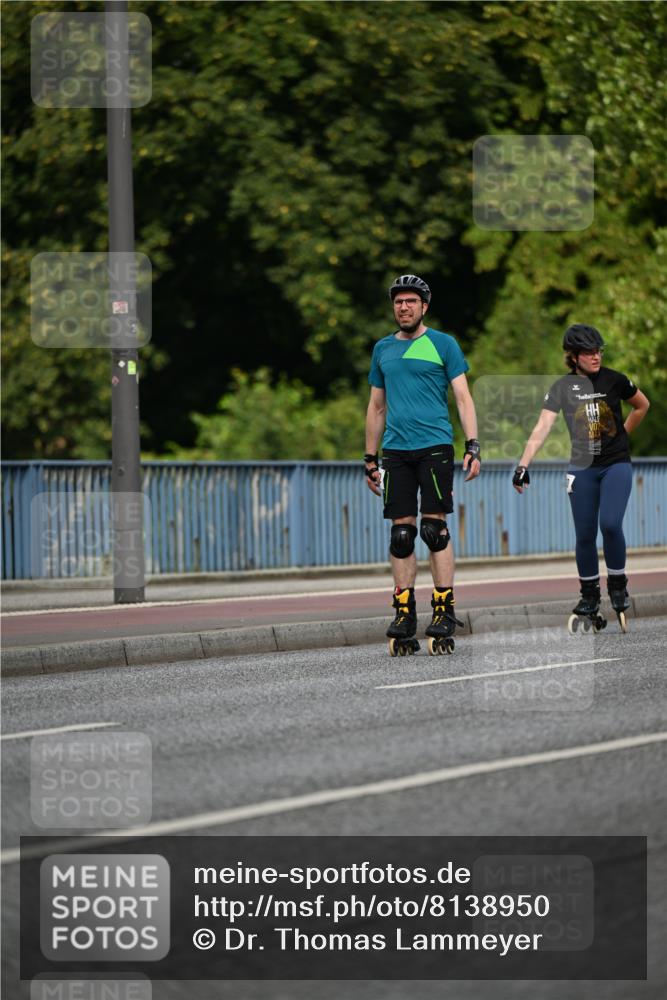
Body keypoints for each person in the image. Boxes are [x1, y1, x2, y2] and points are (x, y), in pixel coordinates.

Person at [365, 274, 481, 651]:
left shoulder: (443, 344)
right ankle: (404, 613)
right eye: (399, 301)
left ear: (424, 306)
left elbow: (463, 398)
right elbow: (376, 407)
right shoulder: (383, 349)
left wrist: (473, 445)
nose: (404, 307)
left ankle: (443, 610)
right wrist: (370, 458)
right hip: (396, 451)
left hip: (435, 446)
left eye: (411, 301)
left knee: (434, 530)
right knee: (401, 535)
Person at [512, 323, 650, 625]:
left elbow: (642, 406)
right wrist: (523, 465)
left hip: (615, 464)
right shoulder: (562, 387)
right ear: (573, 356)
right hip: (582, 468)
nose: (596, 356)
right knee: (585, 534)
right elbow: (543, 426)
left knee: (610, 524)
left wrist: (623, 435)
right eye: (588, 352)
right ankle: (589, 596)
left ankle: (618, 586)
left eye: (598, 350)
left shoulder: (615, 379)